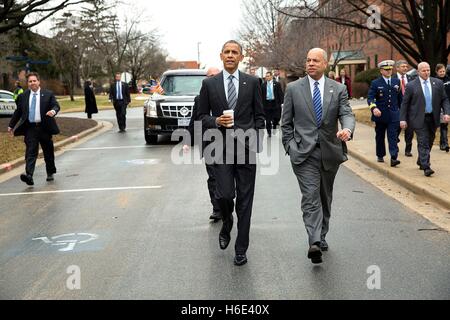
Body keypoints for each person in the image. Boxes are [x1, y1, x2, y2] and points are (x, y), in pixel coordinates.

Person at [281, 48, 355, 264]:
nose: (311, 63)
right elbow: (286, 123)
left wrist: (347, 130)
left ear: (325, 64)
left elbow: (347, 113)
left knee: (324, 196)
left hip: (330, 152)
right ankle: (313, 240)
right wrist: (291, 146)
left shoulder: (338, 88)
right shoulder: (294, 89)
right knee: (311, 196)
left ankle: (321, 234)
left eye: (315, 60)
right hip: (303, 154)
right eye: (308, 60)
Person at [197, 40, 265, 266]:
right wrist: (215, 120)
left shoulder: (253, 82)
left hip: (246, 150)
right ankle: (227, 222)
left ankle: (241, 248)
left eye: (234, 52)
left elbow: (259, 116)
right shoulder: (210, 84)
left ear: (241, 56)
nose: (230, 55)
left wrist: (256, 141)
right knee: (225, 195)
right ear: (220, 55)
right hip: (220, 149)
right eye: (226, 52)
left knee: (245, 201)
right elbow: (200, 117)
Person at [7, 72, 60, 185]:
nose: (32, 83)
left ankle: (50, 172)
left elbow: (56, 105)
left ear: (38, 81)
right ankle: (29, 175)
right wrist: (11, 125)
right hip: (30, 128)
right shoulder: (23, 96)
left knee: (48, 152)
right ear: (28, 83)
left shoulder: (48, 94)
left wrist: (53, 111)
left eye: (34, 81)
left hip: (44, 127)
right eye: (30, 81)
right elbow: (18, 112)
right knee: (30, 152)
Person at [184, 67, 222, 222]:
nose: (212, 78)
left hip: (228, 142)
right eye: (209, 76)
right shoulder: (199, 99)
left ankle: (226, 203)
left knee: (226, 176)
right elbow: (195, 119)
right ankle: (217, 209)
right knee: (213, 177)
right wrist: (187, 141)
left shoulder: (227, 95)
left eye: (215, 76)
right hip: (208, 143)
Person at [400, 62, 450, 177]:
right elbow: (405, 104)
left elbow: (444, 99)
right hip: (418, 118)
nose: (426, 72)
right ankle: (426, 166)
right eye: (423, 70)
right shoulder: (412, 85)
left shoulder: (437, 83)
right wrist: (402, 119)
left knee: (430, 140)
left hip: (433, 117)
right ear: (418, 72)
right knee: (423, 141)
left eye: (428, 70)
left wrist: (447, 113)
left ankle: (421, 159)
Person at [368, 60, 402, 167]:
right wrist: (374, 108)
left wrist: (402, 113)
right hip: (380, 115)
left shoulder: (397, 82)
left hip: (393, 115)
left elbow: (400, 99)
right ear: (381, 71)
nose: (389, 71)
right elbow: (370, 98)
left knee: (393, 136)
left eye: (390, 69)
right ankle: (380, 154)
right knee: (380, 136)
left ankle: (393, 157)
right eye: (386, 70)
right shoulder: (375, 83)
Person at [393, 60, 415, 156]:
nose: (405, 68)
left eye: (406, 66)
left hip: (410, 109)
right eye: (403, 66)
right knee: (396, 129)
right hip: (397, 109)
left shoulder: (411, 78)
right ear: (397, 68)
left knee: (410, 130)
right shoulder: (392, 79)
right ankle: (394, 143)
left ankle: (408, 150)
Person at [262, 71, 284, 137]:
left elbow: (280, 93)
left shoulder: (277, 84)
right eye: (266, 76)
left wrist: (282, 102)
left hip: (275, 103)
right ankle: (269, 132)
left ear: (271, 76)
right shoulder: (263, 85)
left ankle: (274, 125)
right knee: (267, 120)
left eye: (268, 76)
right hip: (266, 104)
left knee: (277, 117)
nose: (267, 77)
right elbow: (261, 95)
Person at [435, 64, 450, 152]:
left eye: (443, 71)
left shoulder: (448, 79)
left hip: (448, 104)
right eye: (440, 72)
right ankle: (445, 143)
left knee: (444, 124)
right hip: (439, 105)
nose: (442, 73)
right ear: (437, 72)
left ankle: (442, 143)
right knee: (443, 124)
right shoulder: (435, 81)